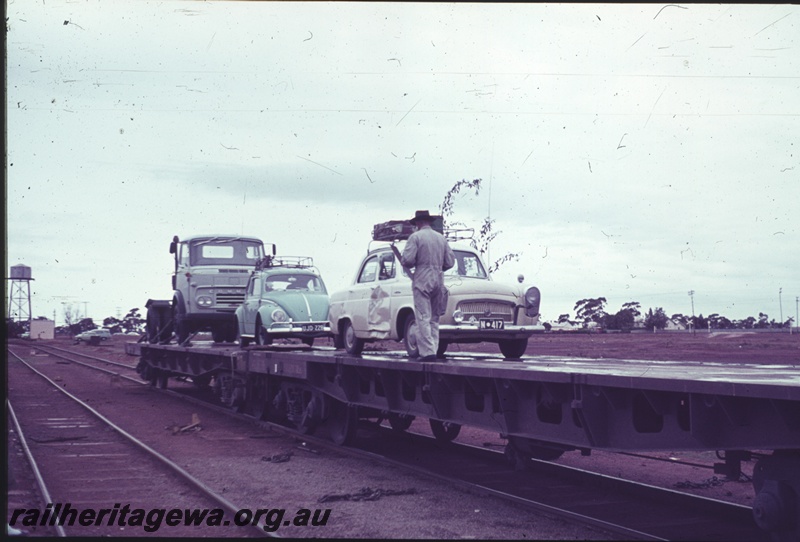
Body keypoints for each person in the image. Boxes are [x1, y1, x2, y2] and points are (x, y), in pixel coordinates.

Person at [399, 210, 455, 361]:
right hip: (439, 278)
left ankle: (427, 352)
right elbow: (450, 262)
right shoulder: (441, 238)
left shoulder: (415, 237)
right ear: (429, 222)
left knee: (423, 316)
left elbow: (407, 261)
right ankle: (434, 349)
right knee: (434, 318)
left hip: (422, 278)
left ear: (418, 223)